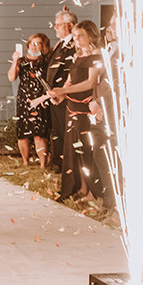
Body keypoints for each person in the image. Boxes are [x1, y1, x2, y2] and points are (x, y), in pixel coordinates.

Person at [49, 20, 105, 202]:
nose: (77, 39)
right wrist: (61, 94)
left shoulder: (96, 55)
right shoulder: (77, 55)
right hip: (71, 105)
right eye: (74, 35)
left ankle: (92, 191)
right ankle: (81, 186)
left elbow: (90, 82)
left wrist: (64, 90)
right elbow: (70, 80)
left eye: (81, 35)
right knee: (74, 149)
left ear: (91, 35)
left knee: (85, 149)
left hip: (85, 106)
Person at [7, 33, 51, 167]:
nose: (34, 45)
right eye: (32, 43)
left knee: (39, 133)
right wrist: (15, 61)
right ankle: (25, 162)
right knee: (23, 133)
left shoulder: (46, 60)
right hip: (24, 99)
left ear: (43, 46)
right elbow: (11, 77)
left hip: (40, 99)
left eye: (37, 43)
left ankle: (43, 164)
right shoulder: (22, 61)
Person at [45, 8, 77, 171]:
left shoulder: (74, 45)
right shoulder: (61, 44)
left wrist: (63, 91)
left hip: (66, 95)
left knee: (66, 130)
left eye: (58, 24)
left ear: (70, 26)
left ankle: (67, 164)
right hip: (55, 95)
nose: (55, 27)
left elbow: (72, 70)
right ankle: (57, 161)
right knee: (57, 130)